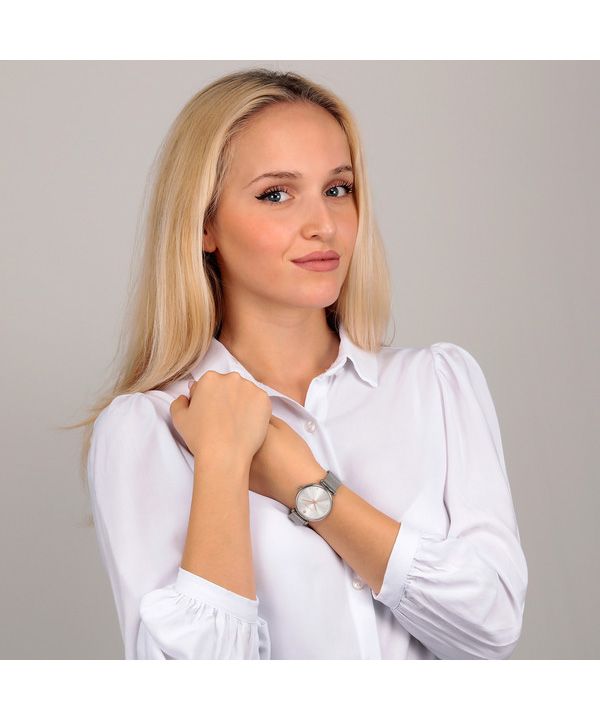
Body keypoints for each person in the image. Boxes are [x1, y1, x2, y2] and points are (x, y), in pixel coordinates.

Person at [80, 68, 528, 659]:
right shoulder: (147, 430)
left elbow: (490, 629)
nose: (324, 225)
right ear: (205, 223)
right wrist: (222, 463)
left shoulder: (438, 386)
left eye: (337, 189)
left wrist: (307, 485)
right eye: (276, 194)